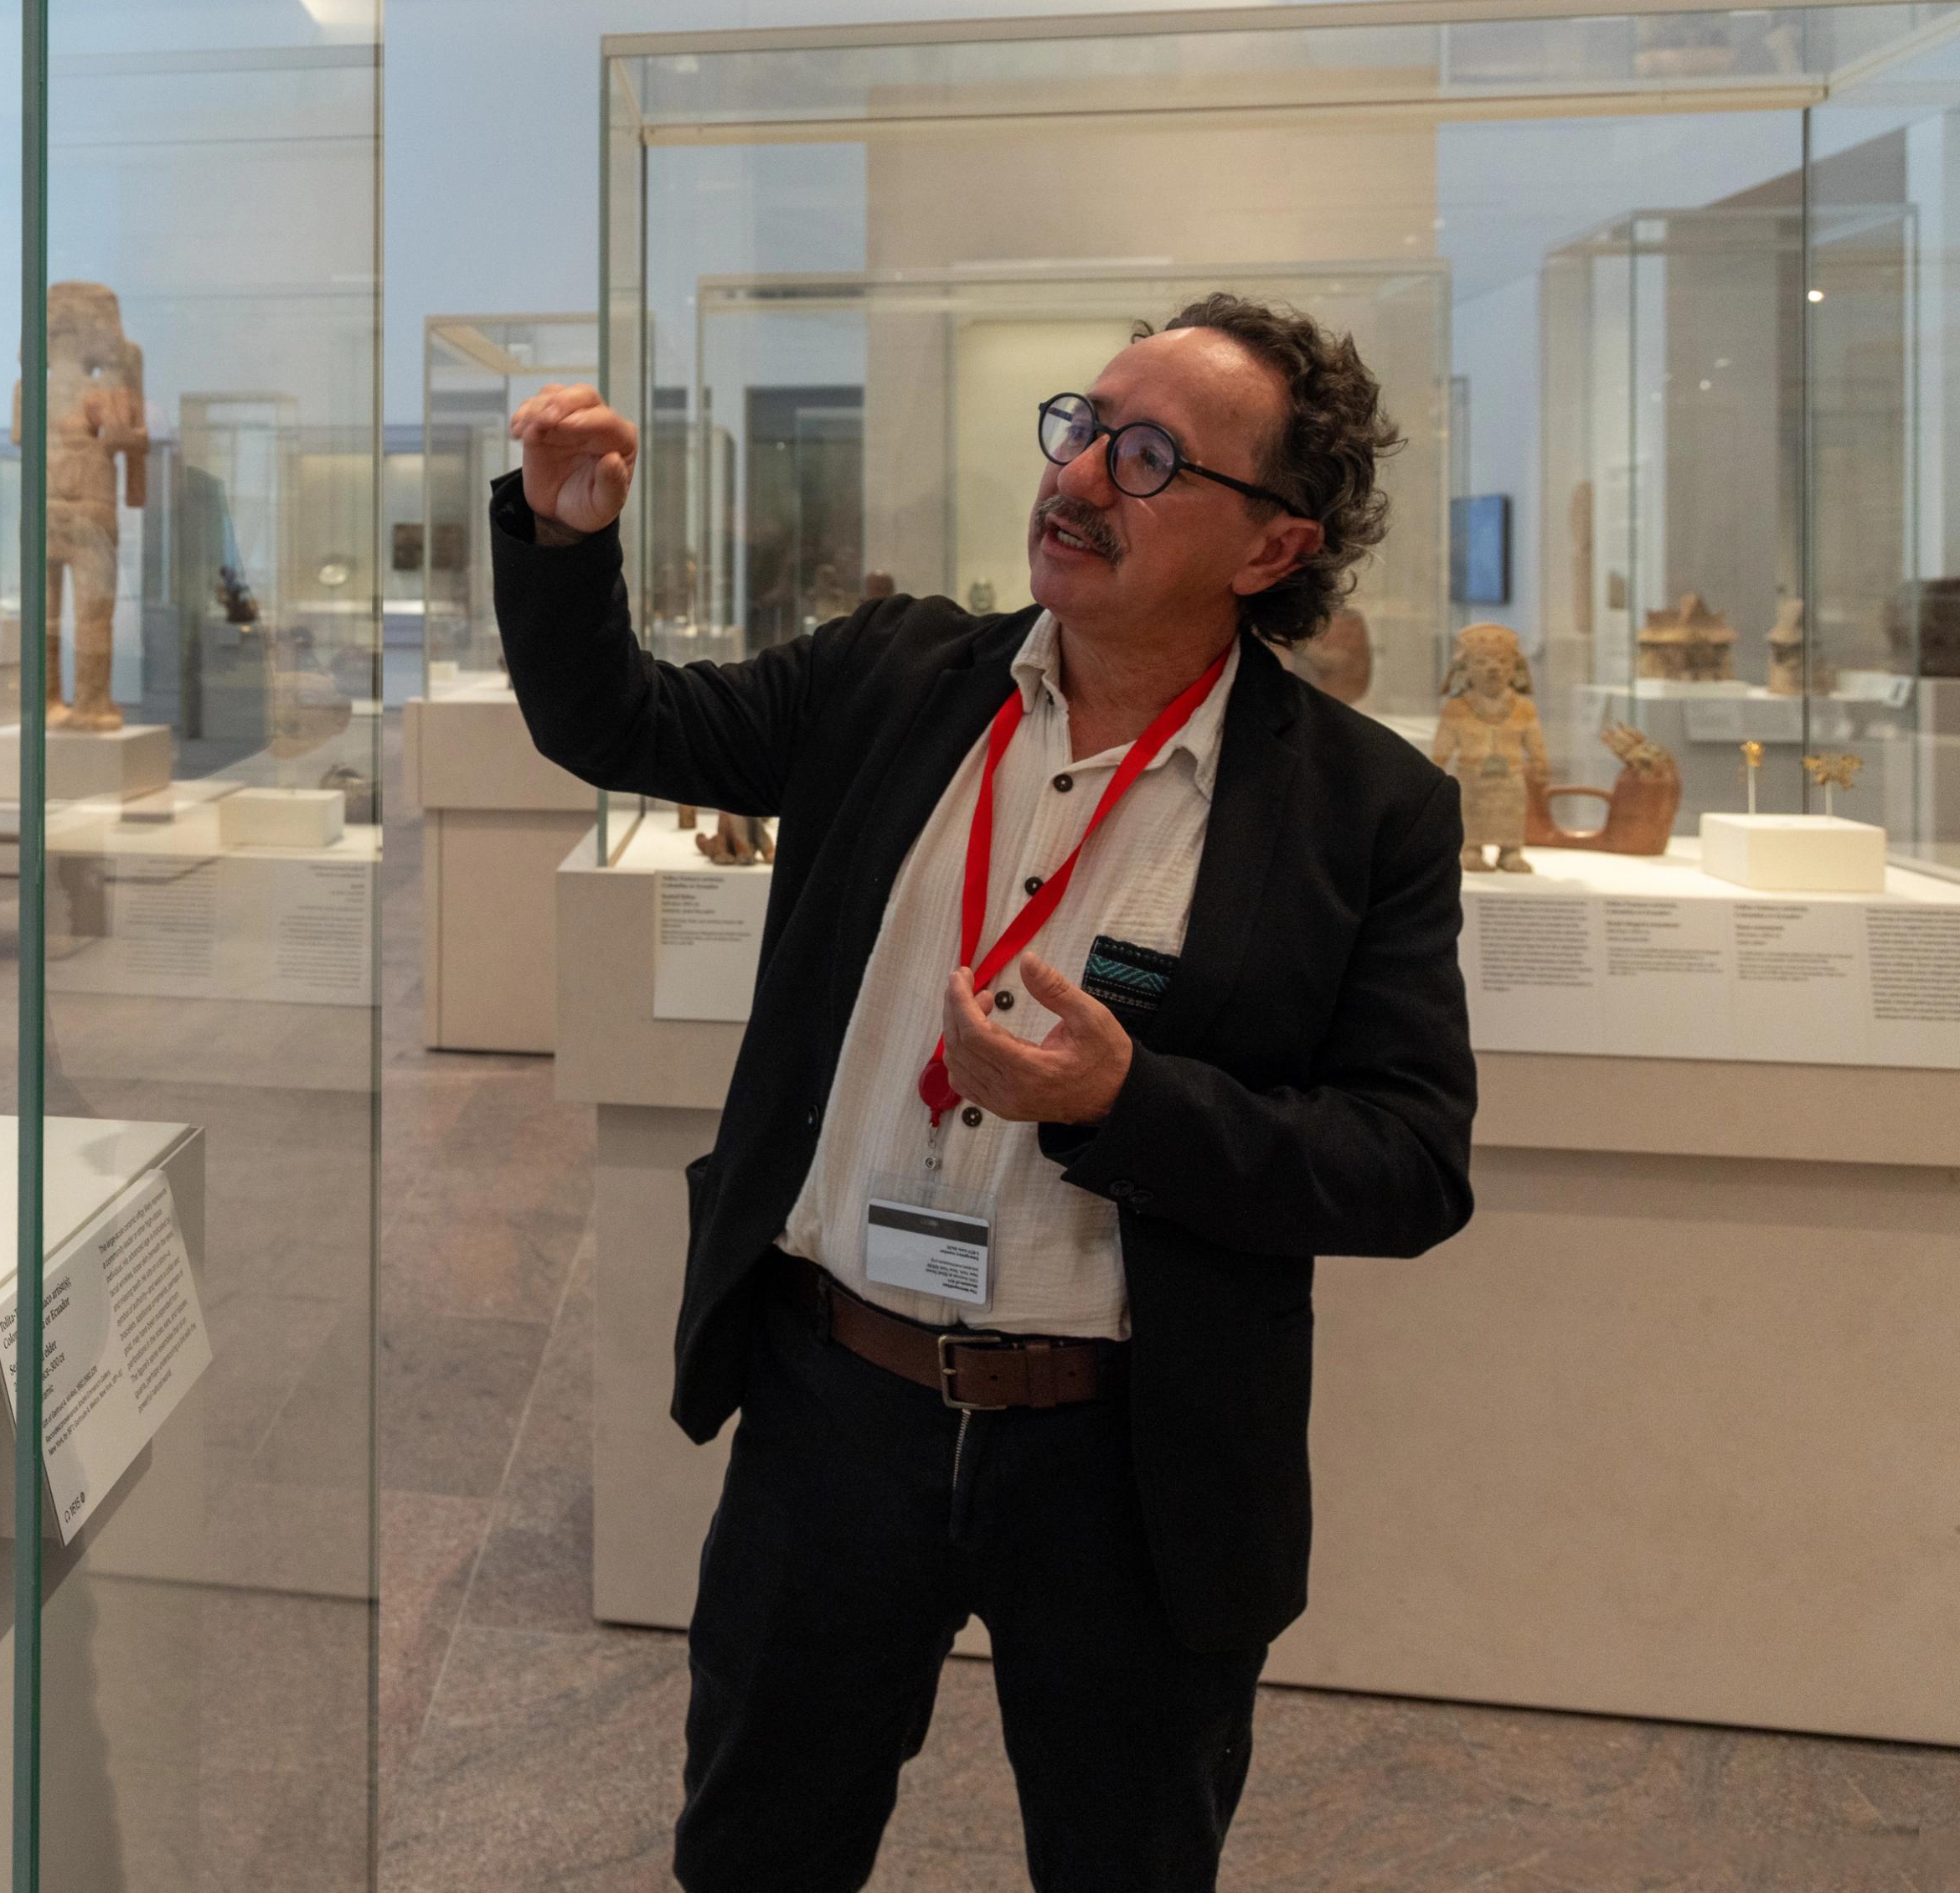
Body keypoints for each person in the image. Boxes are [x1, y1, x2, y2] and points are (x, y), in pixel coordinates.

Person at [493, 295, 1476, 1893]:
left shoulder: (1364, 812)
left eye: (1148, 455)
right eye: (1082, 423)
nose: (1080, 473)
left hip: (1124, 1458)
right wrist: (559, 538)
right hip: (838, 1403)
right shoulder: (898, 676)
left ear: (1272, 549)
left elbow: (1412, 1160)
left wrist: (1131, 1102)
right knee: (757, 1846)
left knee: (1123, 1857)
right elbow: (621, 719)